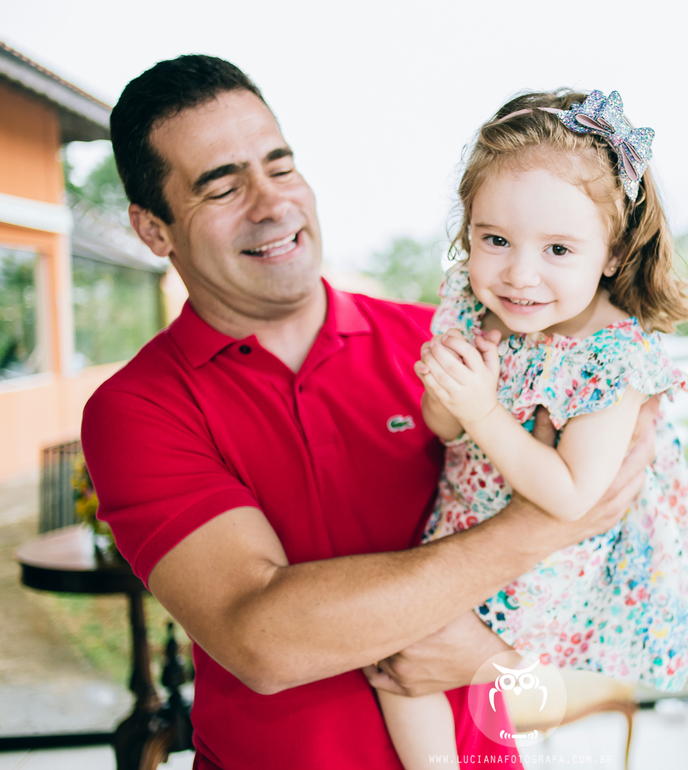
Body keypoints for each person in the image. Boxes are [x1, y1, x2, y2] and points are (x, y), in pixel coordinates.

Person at [80, 56, 657, 770]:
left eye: (281, 166)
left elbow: (583, 612)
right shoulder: (136, 410)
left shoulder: (453, 346)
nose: (271, 203)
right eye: (223, 187)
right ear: (152, 228)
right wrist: (539, 526)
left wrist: (488, 658)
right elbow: (262, 639)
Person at [375, 90, 688, 769]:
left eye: (558, 248)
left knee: (405, 656)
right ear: (467, 231)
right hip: (464, 535)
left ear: (614, 253)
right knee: (395, 660)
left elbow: (569, 498)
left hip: (549, 572)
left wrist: (482, 411)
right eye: (494, 240)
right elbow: (442, 426)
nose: (519, 273)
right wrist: (449, 390)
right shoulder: (480, 309)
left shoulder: (611, 360)